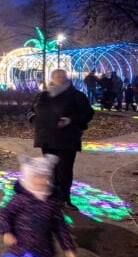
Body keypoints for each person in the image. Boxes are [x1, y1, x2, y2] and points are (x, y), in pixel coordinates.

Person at [0, 154, 78, 257]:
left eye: (45, 177)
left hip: (42, 245)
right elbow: (5, 214)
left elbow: (60, 225)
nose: (42, 181)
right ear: (29, 177)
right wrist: (7, 231)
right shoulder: (21, 198)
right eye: (38, 177)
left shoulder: (52, 201)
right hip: (23, 243)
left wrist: (68, 247)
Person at [28, 69, 94, 207]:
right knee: (50, 169)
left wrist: (70, 120)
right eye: (56, 75)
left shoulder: (77, 96)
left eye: (61, 75)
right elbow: (31, 111)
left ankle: (64, 198)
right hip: (47, 137)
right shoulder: (42, 95)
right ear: (51, 78)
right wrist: (34, 119)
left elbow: (87, 113)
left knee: (64, 169)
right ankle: (52, 198)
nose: (59, 77)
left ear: (66, 77)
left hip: (67, 138)